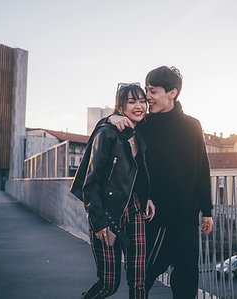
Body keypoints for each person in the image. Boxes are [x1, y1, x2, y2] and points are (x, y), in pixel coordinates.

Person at [108, 66, 213, 298]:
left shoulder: (192, 126)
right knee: (140, 279)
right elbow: (106, 133)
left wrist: (207, 210)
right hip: (154, 219)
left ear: (172, 93)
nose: (147, 97)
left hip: (186, 220)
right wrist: (112, 117)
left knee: (186, 282)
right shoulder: (143, 124)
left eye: (153, 91)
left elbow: (202, 169)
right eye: (146, 90)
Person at [71, 83, 155, 298]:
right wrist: (99, 221)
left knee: (139, 282)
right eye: (132, 101)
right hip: (108, 213)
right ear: (120, 106)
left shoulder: (141, 131)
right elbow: (91, 182)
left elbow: (139, 174)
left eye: (142, 101)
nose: (139, 106)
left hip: (135, 210)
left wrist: (147, 198)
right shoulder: (107, 133)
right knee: (109, 283)